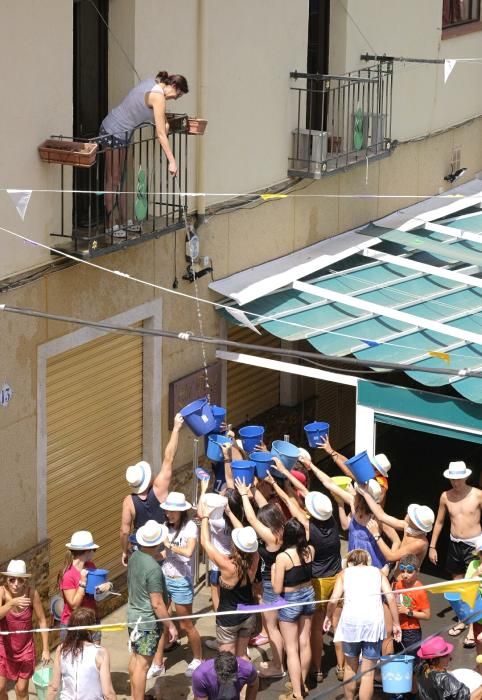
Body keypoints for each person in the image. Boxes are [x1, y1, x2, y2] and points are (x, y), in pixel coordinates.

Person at [99, 71, 189, 230]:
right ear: (173, 86)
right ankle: (111, 225)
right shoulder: (158, 96)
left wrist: (165, 123)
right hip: (113, 131)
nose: (175, 98)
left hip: (125, 133)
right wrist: (172, 161)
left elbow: (161, 121)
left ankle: (125, 222)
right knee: (113, 179)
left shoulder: (151, 83)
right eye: (178, 95)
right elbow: (161, 134)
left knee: (123, 179)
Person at [324, 549, 401, 700]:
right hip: (373, 624)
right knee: (368, 672)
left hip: (351, 624)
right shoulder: (378, 573)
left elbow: (333, 600)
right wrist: (396, 623)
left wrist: (328, 616)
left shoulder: (344, 574)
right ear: (367, 561)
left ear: (349, 562)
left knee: (350, 667)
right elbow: (391, 598)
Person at [234, 478, 286, 679]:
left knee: (272, 628)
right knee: (279, 626)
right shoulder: (282, 527)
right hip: (282, 583)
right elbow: (265, 508)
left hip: (271, 588)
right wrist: (253, 488)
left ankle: (277, 666)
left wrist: (245, 496)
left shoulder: (272, 538)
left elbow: (253, 519)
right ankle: (280, 661)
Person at [120, 413, 184, 566]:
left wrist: (124, 551)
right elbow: (169, 458)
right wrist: (176, 429)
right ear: (147, 478)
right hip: (161, 548)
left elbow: (124, 531)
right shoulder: (159, 488)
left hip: (140, 551)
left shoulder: (128, 502)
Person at [429, 461, 482, 646]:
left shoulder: (478, 495)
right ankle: (463, 620)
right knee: (458, 584)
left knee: (473, 585)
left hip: (474, 545)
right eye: (452, 479)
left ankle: (471, 628)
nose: (455, 483)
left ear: (466, 477)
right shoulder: (445, 496)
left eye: (458, 479)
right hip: (455, 545)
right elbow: (440, 522)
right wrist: (432, 546)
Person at [199, 503, 260, 658]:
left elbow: (205, 542)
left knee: (227, 661)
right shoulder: (255, 557)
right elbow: (247, 538)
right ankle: (249, 682)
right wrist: (230, 513)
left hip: (228, 619)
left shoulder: (227, 565)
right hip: (248, 615)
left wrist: (205, 517)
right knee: (242, 656)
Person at [127, 519, 171, 700]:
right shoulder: (153, 568)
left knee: (136, 660)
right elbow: (157, 603)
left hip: (134, 618)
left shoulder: (135, 557)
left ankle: (137, 695)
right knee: (143, 665)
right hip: (146, 623)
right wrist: (171, 625)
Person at [160, 491, 203, 677]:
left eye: (173, 511)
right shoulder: (164, 527)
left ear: (181, 512)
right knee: (162, 621)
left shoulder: (190, 527)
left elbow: (188, 552)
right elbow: (163, 555)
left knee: (186, 625)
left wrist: (168, 545)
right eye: (167, 511)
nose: (169, 514)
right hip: (164, 578)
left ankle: (198, 658)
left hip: (181, 581)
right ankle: (157, 662)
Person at [272, 518, 316, 700]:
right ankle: (302, 683)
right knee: (305, 641)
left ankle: (297, 694)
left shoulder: (282, 558)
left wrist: (274, 570)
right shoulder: (310, 551)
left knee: (291, 648)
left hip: (290, 599)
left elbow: (277, 588)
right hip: (308, 595)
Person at [0, 560, 50, 700]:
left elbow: (42, 620)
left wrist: (46, 649)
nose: (16, 584)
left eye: (20, 580)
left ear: (25, 581)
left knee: (21, 690)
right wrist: (11, 603)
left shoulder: (32, 594)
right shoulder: (2, 592)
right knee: (0, 688)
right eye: (12, 580)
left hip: (25, 649)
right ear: (7, 580)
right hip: (4, 648)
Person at [47, 607, 116, 700]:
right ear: (91, 629)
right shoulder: (101, 653)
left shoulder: (61, 650)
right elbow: (108, 693)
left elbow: (53, 688)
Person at [357, 485, 435, 567]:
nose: (407, 514)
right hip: (395, 574)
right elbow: (381, 516)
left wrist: (376, 535)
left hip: (405, 579)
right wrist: (366, 494)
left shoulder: (419, 543)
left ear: (416, 524)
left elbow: (390, 557)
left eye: (411, 516)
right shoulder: (408, 527)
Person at [58, 530, 110, 636]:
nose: (94, 552)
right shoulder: (68, 575)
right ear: (87, 551)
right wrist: (82, 582)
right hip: (73, 625)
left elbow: (96, 595)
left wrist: (106, 587)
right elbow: (74, 605)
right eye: (93, 550)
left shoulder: (91, 566)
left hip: (92, 621)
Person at [415, 635, 482, 699]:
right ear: (433, 660)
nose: (450, 657)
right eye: (445, 655)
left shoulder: (421, 667)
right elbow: (470, 698)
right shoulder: (445, 680)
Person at [392, 553, 431, 652]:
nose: (405, 575)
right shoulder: (398, 584)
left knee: (412, 660)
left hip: (412, 631)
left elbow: (427, 615)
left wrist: (407, 611)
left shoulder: (420, 590)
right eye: (402, 571)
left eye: (409, 572)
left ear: (417, 571)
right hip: (397, 627)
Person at [192, 651, 259, 700]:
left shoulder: (247, 669)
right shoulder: (200, 676)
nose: (226, 682)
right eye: (223, 679)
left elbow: (254, 684)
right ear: (215, 670)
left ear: (238, 667)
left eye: (230, 678)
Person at [465, 536, 482, 668]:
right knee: (479, 652)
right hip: (478, 618)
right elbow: (465, 587)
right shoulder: (473, 565)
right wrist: (476, 573)